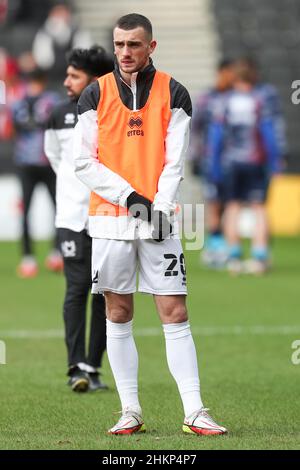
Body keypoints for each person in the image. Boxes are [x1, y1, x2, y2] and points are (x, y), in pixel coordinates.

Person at [74, 13, 227, 435]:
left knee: (175, 312)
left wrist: (157, 207)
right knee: (118, 312)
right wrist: (134, 200)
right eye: (120, 45)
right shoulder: (93, 93)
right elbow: (83, 161)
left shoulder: (174, 92)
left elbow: (175, 160)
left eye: (134, 45)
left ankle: (195, 411)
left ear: (151, 47)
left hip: (159, 220)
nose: (125, 52)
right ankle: (130, 410)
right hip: (110, 222)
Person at [44, 45, 114, 392]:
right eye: (67, 74)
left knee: (105, 291)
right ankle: (76, 368)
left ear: (95, 80)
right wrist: (74, 190)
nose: (67, 81)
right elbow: (56, 158)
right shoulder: (58, 115)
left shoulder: (112, 111)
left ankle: (94, 366)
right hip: (71, 216)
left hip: (107, 216)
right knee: (76, 289)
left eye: (75, 75)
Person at [207, 58, 283, 275]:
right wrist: (275, 159)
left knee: (232, 206)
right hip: (256, 161)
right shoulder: (261, 99)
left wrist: (213, 164)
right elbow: (269, 132)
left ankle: (234, 256)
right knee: (259, 207)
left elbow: (216, 136)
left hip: (231, 162)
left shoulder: (224, 101)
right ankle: (259, 256)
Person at [11, 67, 62, 278]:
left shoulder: (18, 102)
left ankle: (28, 259)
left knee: (26, 211)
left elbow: (13, 128)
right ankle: (56, 254)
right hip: (47, 161)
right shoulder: (53, 100)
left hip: (25, 162)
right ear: (44, 79)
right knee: (59, 209)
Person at [190, 59, 235, 268]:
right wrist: (194, 155)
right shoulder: (207, 98)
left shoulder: (238, 97)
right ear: (221, 73)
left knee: (230, 204)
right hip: (211, 161)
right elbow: (196, 128)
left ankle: (224, 244)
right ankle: (215, 246)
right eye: (228, 73)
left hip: (234, 161)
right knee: (214, 202)